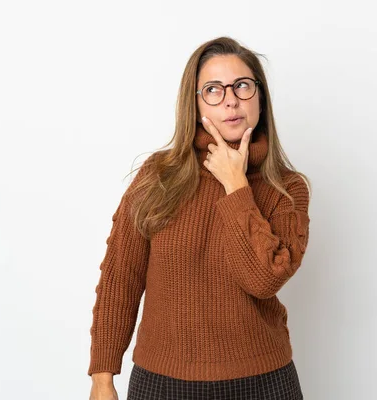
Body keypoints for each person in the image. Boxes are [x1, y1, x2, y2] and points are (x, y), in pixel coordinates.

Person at [88, 36, 311, 400]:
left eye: (242, 86)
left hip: (263, 382)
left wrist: (236, 186)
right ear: (194, 103)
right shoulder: (159, 175)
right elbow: (120, 275)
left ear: (260, 97)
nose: (231, 100)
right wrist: (102, 376)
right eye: (213, 90)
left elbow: (263, 279)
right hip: (161, 382)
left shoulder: (287, 188)